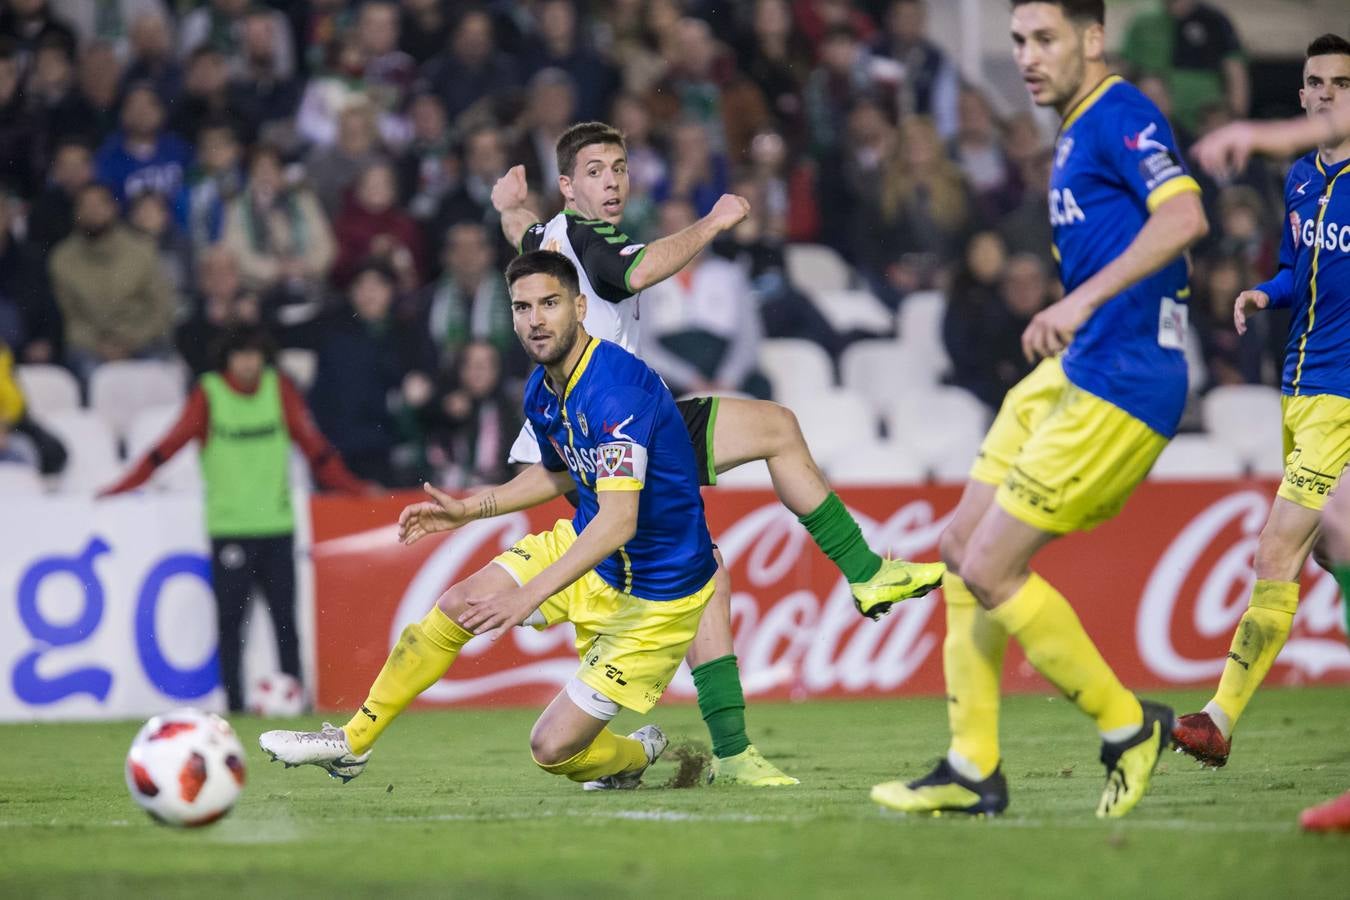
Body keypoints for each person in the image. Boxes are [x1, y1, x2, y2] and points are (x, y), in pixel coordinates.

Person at [493, 121, 945, 787]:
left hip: (628, 418)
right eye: (595, 171)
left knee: (775, 430)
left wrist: (508, 202)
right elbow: (640, 268)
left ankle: (867, 572)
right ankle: (708, 749)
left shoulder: (548, 239)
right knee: (700, 574)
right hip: (612, 432)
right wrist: (714, 221)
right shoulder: (590, 241)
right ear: (569, 185)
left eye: (618, 167)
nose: (613, 181)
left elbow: (520, 230)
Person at [871, 0, 1209, 820]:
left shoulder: (1120, 113)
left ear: (1094, 40)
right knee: (958, 550)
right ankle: (971, 766)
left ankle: (1127, 727)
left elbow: (1186, 216)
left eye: (1045, 39)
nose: (1026, 57)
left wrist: (1078, 301)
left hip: (1123, 381)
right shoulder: (1074, 129)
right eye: (1018, 40)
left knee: (990, 568)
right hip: (1077, 367)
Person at [259, 251, 719, 791]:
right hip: (591, 548)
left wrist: (527, 598)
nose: (535, 320)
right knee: (457, 604)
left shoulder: (616, 393)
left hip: (657, 591)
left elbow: (620, 520)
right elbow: (561, 473)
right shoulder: (543, 387)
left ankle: (633, 756)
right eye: (522, 307)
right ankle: (353, 741)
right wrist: (470, 509)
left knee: (553, 751)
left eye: (549, 304)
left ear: (579, 308)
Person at [1171, 34, 1350, 769]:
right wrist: (1262, 291)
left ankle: (1218, 717)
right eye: (1318, 82)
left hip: (1342, 398)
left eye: (1344, 80)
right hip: (1299, 388)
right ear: (1303, 94)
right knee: (1337, 549)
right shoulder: (1303, 180)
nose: (1330, 91)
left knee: (1276, 549)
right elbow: (1291, 266)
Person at [98, 326, 371, 713]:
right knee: (231, 626)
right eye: (240, 354)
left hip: (276, 527)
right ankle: (236, 705)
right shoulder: (210, 394)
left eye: (254, 354)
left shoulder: (280, 389)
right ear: (227, 358)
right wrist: (122, 486)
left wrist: (356, 490)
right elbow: (167, 448)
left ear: (263, 357)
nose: (248, 362)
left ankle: (297, 703)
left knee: (284, 623)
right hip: (229, 528)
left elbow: (316, 450)